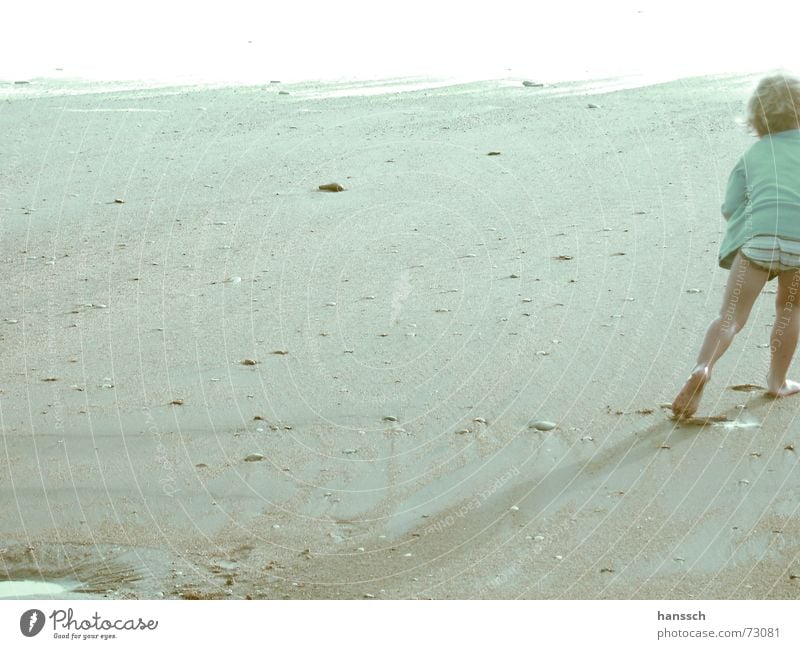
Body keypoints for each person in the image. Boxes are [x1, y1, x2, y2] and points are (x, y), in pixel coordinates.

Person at [672, 74, 800, 419]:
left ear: (758, 118)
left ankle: (703, 367)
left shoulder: (753, 155)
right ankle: (777, 381)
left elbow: (729, 209)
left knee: (730, 316)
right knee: (790, 312)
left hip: (758, 243)